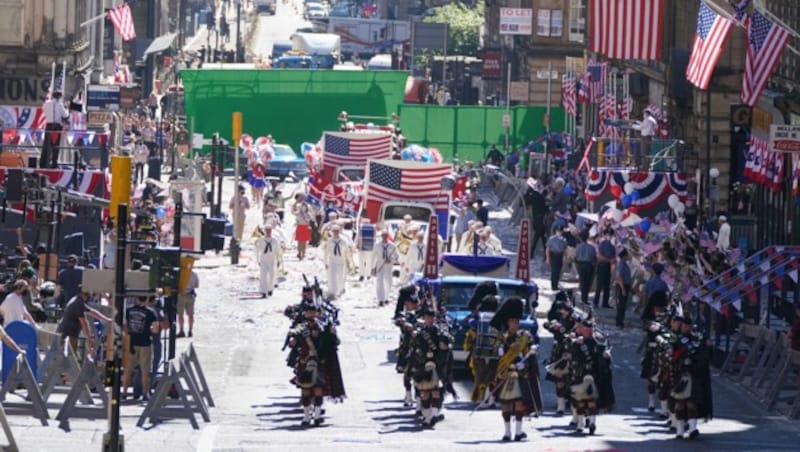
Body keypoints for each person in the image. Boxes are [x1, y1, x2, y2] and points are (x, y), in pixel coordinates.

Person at [491, 297, 542, 441]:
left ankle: (518, 432)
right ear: (507, 322)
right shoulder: (503, 337)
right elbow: (495, 354)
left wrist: (526, 359)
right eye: (512, 321)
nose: (514, 324)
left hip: (521, 373)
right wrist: (499, 350)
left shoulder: (525, 336)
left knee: (520, 402)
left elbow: (532, 351)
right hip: (506, 373)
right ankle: (507, 433)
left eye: (516, 321)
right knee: (506, 404)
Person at [568, 318, 615, 435]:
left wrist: (607, 356)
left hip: (595, 375)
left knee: (592, 401)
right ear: (581, 330)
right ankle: (580, 423)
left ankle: (593, 422)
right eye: (586, 329)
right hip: (580, 374)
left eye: (590, 329)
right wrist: (574, 343)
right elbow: (571, 355)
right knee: (580, 401)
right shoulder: (577, 343)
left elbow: (604, 358)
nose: (589, 331)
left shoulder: (598, 341)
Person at [56, 287, 112, 357]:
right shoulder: (78, 303)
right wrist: (89, 339)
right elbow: (84, 323)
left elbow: (92, 311)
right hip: (68, 334)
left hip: (66, 332)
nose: (89, 296)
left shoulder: (76, 300)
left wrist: (106, 319)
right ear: (82, 294)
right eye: (87, 294)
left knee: (70, 357)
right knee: (71, 358)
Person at [123, 296, 160, 400]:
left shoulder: (128, 310)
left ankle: (124, 392)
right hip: (145, 343)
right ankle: (144, 393)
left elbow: (124, 326)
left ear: (136, 299)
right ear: (147, 300)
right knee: (145, 370)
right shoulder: (151, 312)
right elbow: (155, 330)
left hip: (131, 343)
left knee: (128, 369)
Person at [42, 89, 70, 169]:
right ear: (59, 97)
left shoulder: (46, 103)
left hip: (49, 125)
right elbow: (65, 116)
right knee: (56, 146)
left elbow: (44, 110)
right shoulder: (60, 105)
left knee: (47, 145)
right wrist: (67, 108)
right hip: (57, 126)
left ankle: (45, 163)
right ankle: (54, 164)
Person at [372, 229, 398, 307]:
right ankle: (380, 299)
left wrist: (391, 260)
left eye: (386, 235)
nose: (384, 237)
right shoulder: (377, 245)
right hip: (380, 265)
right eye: (383, 235)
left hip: (388, 267)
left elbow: (396, 257)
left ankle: (386, 297)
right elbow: (373, 257)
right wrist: (373, 268)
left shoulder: (392, 246)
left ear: (388, 236)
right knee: (379, 282)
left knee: (388, 282)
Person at [323, 225, 351, 299]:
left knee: (341, 276)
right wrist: (325, 262)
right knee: (332, 276)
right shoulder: (330, 241)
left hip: (341, 261)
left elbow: (347, 252)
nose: (336, 233)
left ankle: (341, 289)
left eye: (337, 231)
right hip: (332, 261)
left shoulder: (343, 241)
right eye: (334, 231)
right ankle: (333, 291)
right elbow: (326, 252)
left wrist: (348, 262)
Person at [257, 224, 281, 298]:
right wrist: (258, 260)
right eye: (266, 230)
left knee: (271, 275)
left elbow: (277, 251)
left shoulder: (274, 240)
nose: (268, 232)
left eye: (269, 230)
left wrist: (278, 260)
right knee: (263, 276)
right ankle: (263, 291)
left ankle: (270, 289)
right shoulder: (261, 240)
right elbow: (257, 250)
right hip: (264, 260)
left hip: (272, 260)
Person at [594, 228, 616, 309]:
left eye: (610, 234)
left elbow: (614, 258)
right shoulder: (602, 244)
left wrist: (612, 262)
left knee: (607, 286)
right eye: (608, 234)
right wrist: (609, 260)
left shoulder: (612, 247)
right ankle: (596, 302)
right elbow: (599, 256)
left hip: (608, 267)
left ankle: (605, 303)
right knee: (599, 285)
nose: (609, 236)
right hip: (602, 266)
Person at [574, 232, 597, 305]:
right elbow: (594, 258)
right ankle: (585, 298)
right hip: (588, 265)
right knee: (587, 281)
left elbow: (575, 257)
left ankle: (583, 297)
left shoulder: (578, 247)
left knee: (582, 281)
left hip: (580, 265)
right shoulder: (591, 247)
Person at [177, 266, 199, 337]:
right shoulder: (194, 275)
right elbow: (197, 285)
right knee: (190, 315)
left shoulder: (180, 274)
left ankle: (181, 330)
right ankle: (190, 331)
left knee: (180, 315)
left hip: (181, 295)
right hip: (190, 295)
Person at [292, 193, 314, 260]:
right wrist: (296, 201)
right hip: (300, 226)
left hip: (306, 227)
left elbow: (312, 217)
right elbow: (293, 211)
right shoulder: (298, 213)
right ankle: (299, 253)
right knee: (299, 241)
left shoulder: (308, 214)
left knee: (304, 241)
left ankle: (303, 253)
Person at [546, 226, 568, 291]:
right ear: (556, 231)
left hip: (560, 256)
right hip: (553, 255)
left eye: (560, 231)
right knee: (554, 271)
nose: (559, 232)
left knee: (558, 271)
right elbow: (548, 249)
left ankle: (556, 284)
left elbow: (565, 250)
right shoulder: (551, 239)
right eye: (558, 231)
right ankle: (553, 285)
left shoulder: (564, 240)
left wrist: (565, 258)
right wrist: (548, 257)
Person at [615, 249, 633, 328]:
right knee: (621, 305)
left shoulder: (625, 264)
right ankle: (619, 321)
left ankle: (620, 320)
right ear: (624, 256)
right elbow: (619, 277)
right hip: (622, 285)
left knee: (623, 305)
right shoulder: (621, 265)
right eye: (627, 255)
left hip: (626, 285)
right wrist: (623, 289)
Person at [355, 216, 376, 282]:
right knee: (368, 262)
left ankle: (363, 275)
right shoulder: (373, 228)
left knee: (362, 262)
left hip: (363, 247)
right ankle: (367, 275)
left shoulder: (361, 227)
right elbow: (375, 237)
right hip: (369, 247)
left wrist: (356, 244)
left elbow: (358, 236)